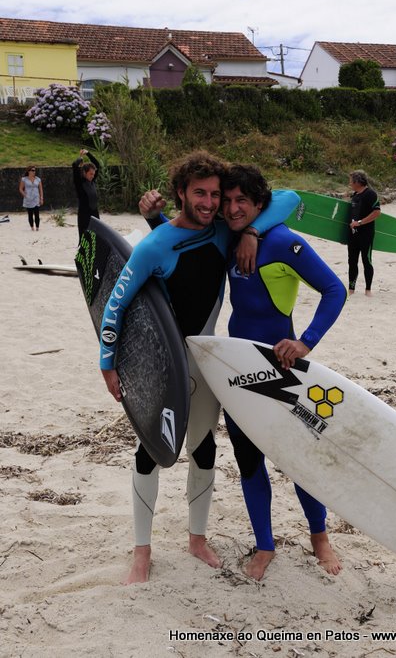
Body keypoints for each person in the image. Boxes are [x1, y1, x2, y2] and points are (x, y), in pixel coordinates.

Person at [99, 150, 298, 584]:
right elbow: (115, 304)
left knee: (204, 449)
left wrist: (253, 232)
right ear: (180, 193)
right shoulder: (155, 245)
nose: (210, 203)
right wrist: (107, 364)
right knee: (151, 451)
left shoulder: (224, 232)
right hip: (163, 365)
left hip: (206, 364)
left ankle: (197, 538)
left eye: (214, 194)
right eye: (200, 194)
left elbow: (289, 198)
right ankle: (141, 550)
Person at [221, 164, 347, 580]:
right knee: (248, 459)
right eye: (227, 201)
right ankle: (265, 545)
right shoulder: (226, 237)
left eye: (243, 201)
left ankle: (319, 536)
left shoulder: (281, 241)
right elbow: (179, 240)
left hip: (282, 368)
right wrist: (153, 218)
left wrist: (306, 341)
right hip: (237, 367)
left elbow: (334, 289)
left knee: (299, 459)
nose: (233, 208)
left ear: (260, 204)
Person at [347, 171, 381, 296]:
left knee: (366, 261)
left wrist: (360, 223)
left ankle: (368, 290)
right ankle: (351, 289)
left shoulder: (370, 194)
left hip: (366, 234)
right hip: (353, 234)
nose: (350, 184)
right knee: (352, 261)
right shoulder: (355, 195)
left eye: (351, 181)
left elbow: (377, 212)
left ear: (357, 182)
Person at [72, 148, 100, 240]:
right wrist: (80, 159)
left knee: (96, 238)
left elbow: (97, 165)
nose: (93, 176)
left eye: (93, 174)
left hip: (94, 213)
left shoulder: (92, 181)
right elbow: (74, 166)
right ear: (85, 173)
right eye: (91, 174)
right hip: (84, 215)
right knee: (85, 239)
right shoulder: (79, 183)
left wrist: (88, 153)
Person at [19, 165, 43, 231]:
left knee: (37, 214)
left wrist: (41, 198)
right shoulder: (24, 179)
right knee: (30, 214)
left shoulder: (38, 179)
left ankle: (37, 227)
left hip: (36, 198)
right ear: (28, 171)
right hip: (28, 199)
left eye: (35, 170)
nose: (34, 172)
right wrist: (25, 195)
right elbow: (20, 189)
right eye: (33, 170)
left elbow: (41, 189)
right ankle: (32, 227)